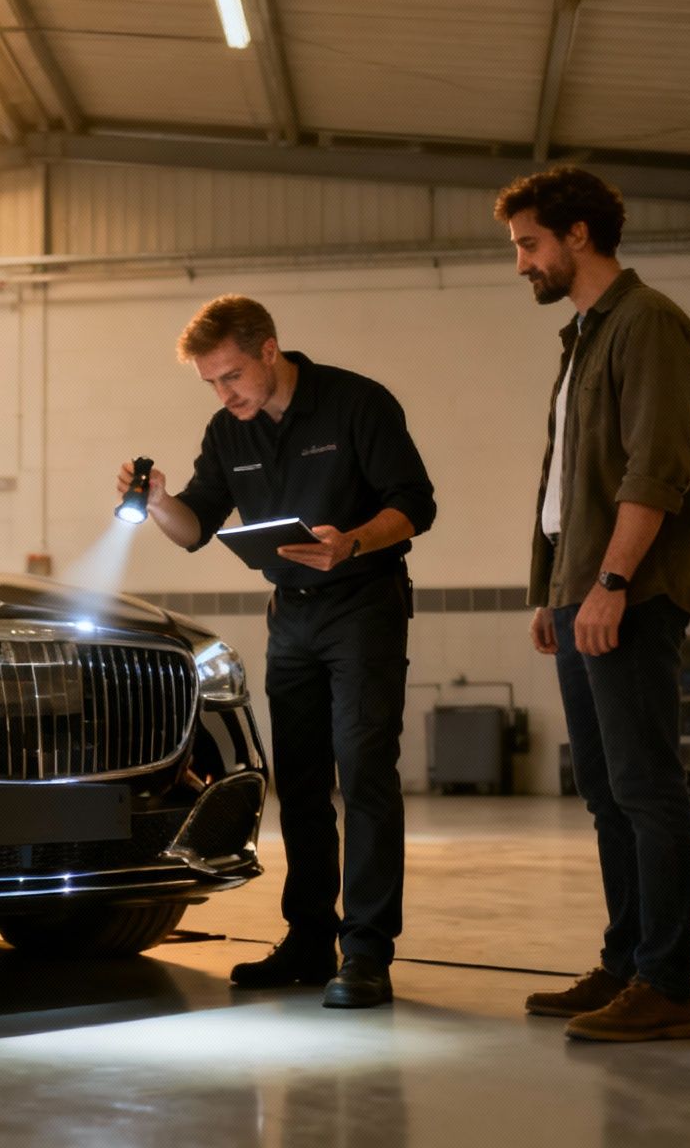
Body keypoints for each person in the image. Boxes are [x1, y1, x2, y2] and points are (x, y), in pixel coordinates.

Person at [120, 294, 435, 1008]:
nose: (223, 393)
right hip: (291, 617)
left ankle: (366, 952)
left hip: (363, 605)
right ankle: (305, 941)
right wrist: (159, 500)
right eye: (210, 383)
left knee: (363, 776)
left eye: (230, 376)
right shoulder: (228, 432)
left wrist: (352, 540)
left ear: (269, 350)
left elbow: (416, 502)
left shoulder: (356, 402)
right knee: (296, 784)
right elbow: (194, 527)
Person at [496, 166, 690, 1042]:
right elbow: (562, 485)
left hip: (630, 595)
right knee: (606, 793)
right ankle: (626, 962)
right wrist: (553, 590)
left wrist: (613, 583)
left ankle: (667, 985)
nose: (521, 264)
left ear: (578, 235)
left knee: (646, 788)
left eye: (528, 244)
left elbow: (656, 468)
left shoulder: (649, 324)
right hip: (581, 593)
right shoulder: (584, 336)